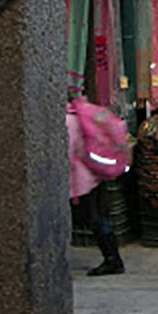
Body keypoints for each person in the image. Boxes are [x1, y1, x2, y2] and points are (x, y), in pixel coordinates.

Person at [66, 106, 126, 276]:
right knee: (97, 218)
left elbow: (68, 151)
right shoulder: (78, 116)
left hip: (80, 180)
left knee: (95, 220)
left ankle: (112, 259)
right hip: (92, 176)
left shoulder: (67, 121)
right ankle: (113, 258)